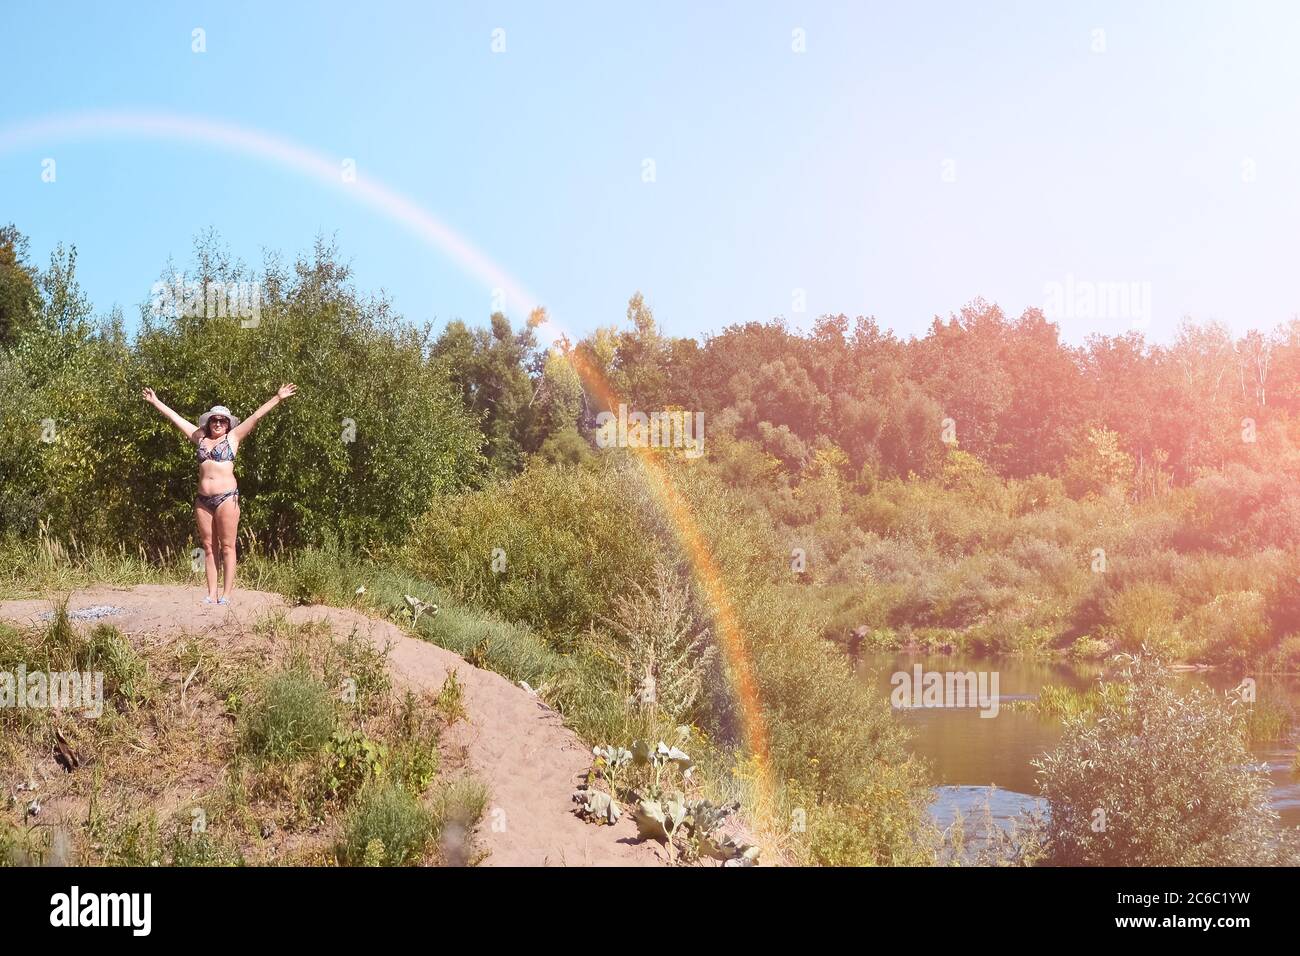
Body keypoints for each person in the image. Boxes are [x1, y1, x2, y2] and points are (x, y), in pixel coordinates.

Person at [141, 383, 297, 604]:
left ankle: (226, 595)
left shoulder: (233, 438)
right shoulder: (200, 438)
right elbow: (176, 419)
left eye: (222, 420)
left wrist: (278, 398)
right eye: (214, 420)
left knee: (227, 546)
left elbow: (255, 416)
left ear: (227, 424)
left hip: (226, 498)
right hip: (203, 500)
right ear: (208, 422)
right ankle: (211, 593)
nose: (218, 423)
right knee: (207, 547)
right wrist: (156, 402)